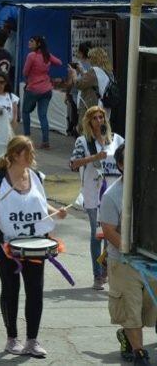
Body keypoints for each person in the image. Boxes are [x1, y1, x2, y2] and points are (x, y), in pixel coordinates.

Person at [0, 135, 68, 358]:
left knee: (35, 290)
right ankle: (11, 338)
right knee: (11, 287)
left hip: (35, 242)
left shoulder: (36, 176)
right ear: (15, 155)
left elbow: (40, 203)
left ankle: (32, 341)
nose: (33, 156)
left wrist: (55, 210)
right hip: (4, 243)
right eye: (28, 153)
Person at [100, 144, 154, 365]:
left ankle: (127, 336)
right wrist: (129, 250)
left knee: (148, 311)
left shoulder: (151, 188)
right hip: (124, 263)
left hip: (151, 261)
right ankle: (139, 353)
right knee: (131, 311)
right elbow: (108, 230)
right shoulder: (112, 196)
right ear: (120, 165)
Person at [70, 106, 124, 290]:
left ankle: (106, 269)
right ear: (89, 121)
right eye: (95, 118)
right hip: (93, 194)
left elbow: (127, 158)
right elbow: (73, 164)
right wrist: (93, 157)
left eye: (102, 117)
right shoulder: (83, 141)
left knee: (112, 234)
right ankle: (97, 275)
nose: (99, 121)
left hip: (115, 194)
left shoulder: (116, 139)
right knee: (97, 235)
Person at [21, 35, 63, 149]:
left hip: (33, 89)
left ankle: (26, 138)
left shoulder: (31, 56)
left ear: (38, 43)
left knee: (25, 112)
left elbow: (25, 72)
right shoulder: (47, 55)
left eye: (32, 41)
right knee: (43, 115)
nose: (29, 42)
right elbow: (59, 62)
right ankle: (45, 141)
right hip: (46, 89)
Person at [67, 47, 115, 134]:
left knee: (86, 130)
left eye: (89, 57)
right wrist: (82, 72)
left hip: (90, 104)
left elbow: (79, 84)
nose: (88, 60)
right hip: (103, 105)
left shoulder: (94, 71)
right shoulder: (108, 71)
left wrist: (73, 74)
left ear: (94, 58)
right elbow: (93, 82)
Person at [64, 42, 91, 137]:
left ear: (80, 52)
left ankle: (78, 138)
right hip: (89, 96)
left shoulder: (77, 65)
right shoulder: (93, 65)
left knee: (76, 119)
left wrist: (67, 94)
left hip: (77, 96)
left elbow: (70, 83)